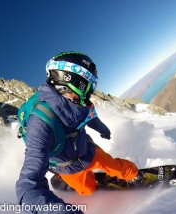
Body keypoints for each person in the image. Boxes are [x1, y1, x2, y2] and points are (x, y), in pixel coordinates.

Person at [16, 51, 139, 213]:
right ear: (72, 81)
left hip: (87, 151)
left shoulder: (77, 102)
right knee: (87, 190)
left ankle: (134, 174)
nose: (91, 90)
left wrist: (103, 129)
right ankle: (71, 179)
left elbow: (89, 116)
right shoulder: (40, 125)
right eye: (88, 84)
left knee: (116, 166)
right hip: (67, 167)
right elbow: (28, 187)